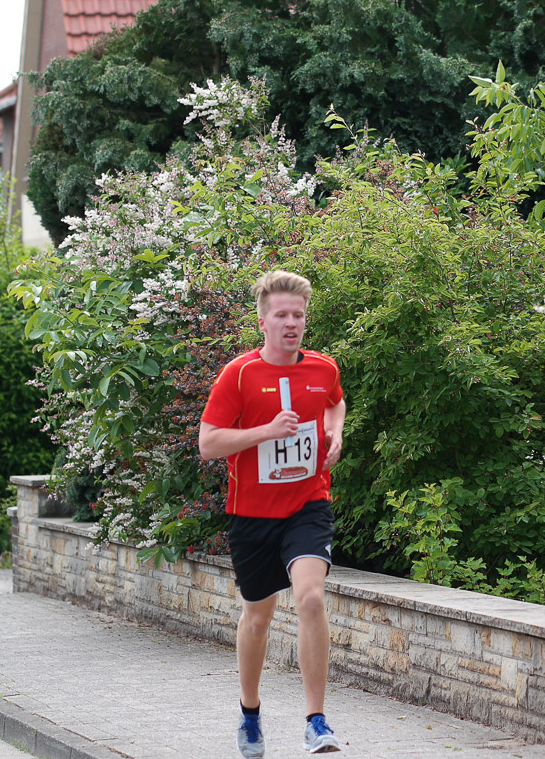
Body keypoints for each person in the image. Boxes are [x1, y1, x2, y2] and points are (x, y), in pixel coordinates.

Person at [199, 270, 346, 756]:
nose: (291, 323)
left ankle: (316, 721)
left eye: (298, 315)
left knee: (310, 599)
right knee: (258, 617)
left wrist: (335, 432)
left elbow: (336, 403)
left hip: (308, 505)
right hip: (253, 514)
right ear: (263, 321)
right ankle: (249, 713)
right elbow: (208, 443)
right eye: (281, 315)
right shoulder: (239, 374)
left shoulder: (323, 368)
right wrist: (265, 432)